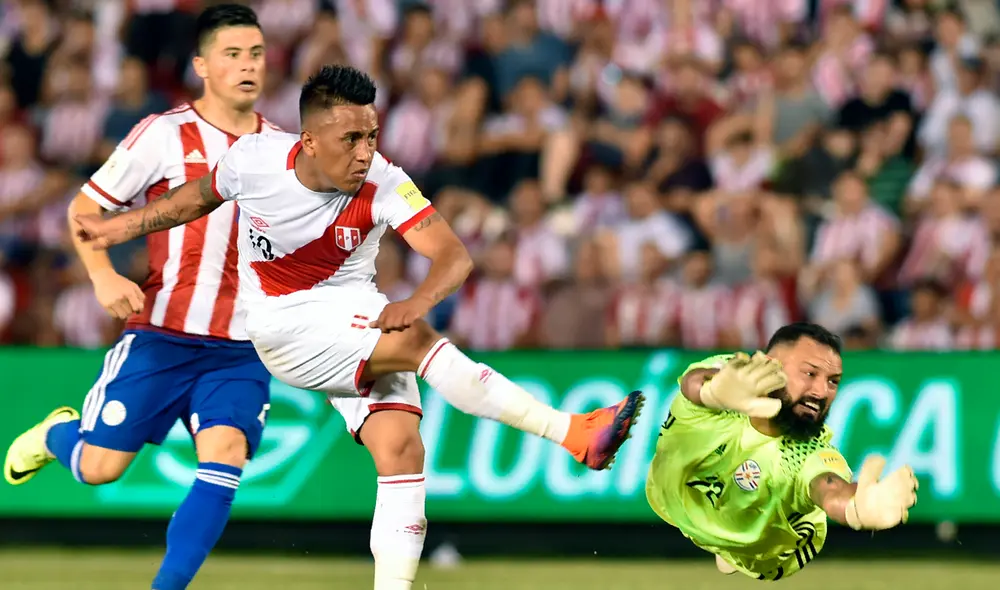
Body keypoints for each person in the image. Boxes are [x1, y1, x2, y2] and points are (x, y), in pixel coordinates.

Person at [73, 64, 644, 590]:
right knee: (416, 343)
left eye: (372, 136)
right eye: (351, 139)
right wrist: (120, 229)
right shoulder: (254, 160)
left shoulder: (386, 182)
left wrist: (420, 297)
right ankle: (572, 433)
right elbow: (189, 202)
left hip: (352, 315)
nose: (366, 152)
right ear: (310, 141)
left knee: (401, 450)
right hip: (280, 325)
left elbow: (453, 257)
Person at [3, 6, 283, 590]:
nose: (248, 65)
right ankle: (58, 434)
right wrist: (104, 277)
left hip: (241, 347)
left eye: (255, 53)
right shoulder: (164, 134)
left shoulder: (286, 152)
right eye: (232, 54)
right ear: (202, 64)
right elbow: (85, 209)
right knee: (99, 468)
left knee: (225, 453)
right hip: (161, 335)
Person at [645, 322, 918, 581]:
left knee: (771, 541)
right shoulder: (731, 376)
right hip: (669, 495)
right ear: (769, 365)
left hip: (764, 550)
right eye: (810, 374)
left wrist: (857, 507)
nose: (822, 391)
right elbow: (694, 382)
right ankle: (727, 538)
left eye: (833, 381)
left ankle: (733, 548)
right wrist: (712, 394)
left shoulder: (809, 454)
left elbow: (830, 489)